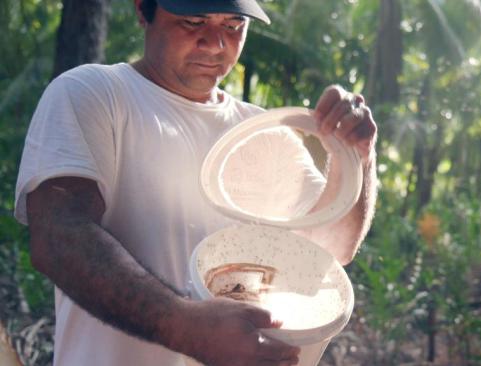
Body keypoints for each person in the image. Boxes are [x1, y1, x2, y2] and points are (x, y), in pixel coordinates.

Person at [13, 0, 378, 365]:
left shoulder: (262, 133)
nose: (216, 43)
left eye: (234, 26)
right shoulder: (94, 94)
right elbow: (59, 236)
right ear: (143, 10)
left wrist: (357, 156)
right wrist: (185, 326)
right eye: (193, 21)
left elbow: (330, 249)